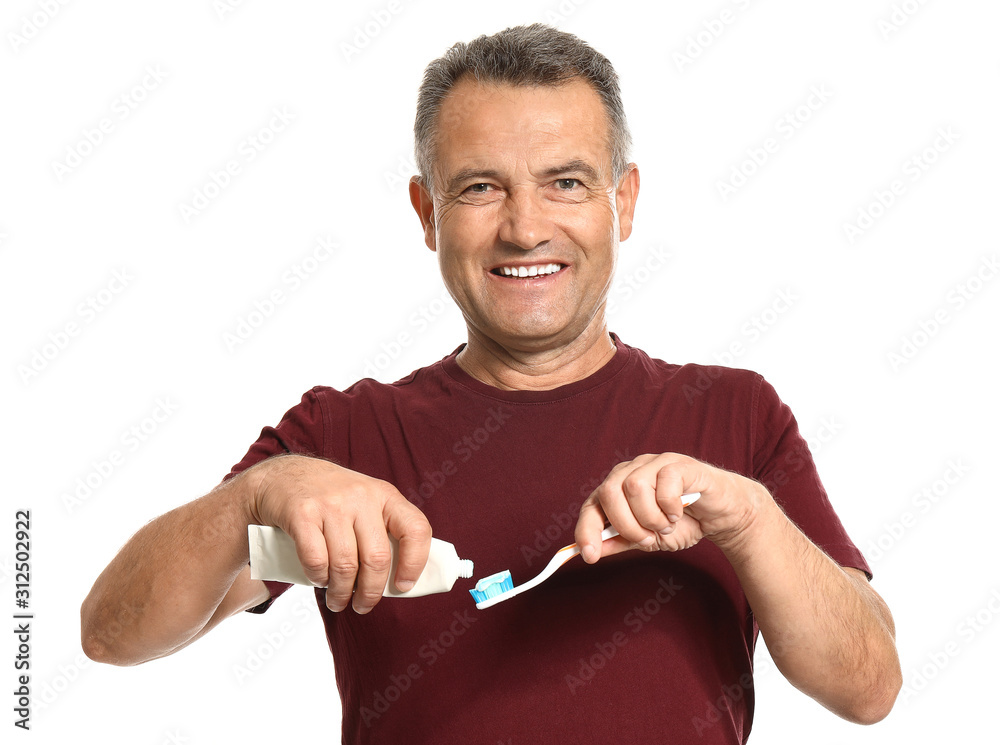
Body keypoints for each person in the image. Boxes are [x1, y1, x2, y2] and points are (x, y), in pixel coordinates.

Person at [81, 23, 901, 743]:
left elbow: (870, 688)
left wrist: (746, 515)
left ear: (625, 200)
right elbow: (112, 634)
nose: (525, 226)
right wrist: (255, 496)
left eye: (566, 181)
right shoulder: (345, 437)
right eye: (479, 187)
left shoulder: (733, 415)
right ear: (427, 213)